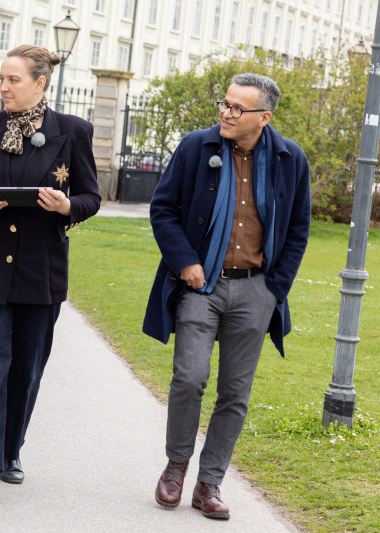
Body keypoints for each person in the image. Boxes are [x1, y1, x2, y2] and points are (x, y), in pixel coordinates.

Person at [144, 73, 311, 519]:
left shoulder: (289, 158)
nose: (226, 112)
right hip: (202, 283)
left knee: (235, 393)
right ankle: (176, 466)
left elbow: (298, 231)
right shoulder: (195, 147)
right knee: (190, 377)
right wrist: (185, 262)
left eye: (238, 108)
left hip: (256, 290)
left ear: (264, 116)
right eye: (225, 103)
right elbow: (162, 209)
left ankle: (210, 483)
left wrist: (275, 290)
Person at [0, 44, 100, 506]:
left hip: (41, 270)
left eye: (13, 80)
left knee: (26, 369)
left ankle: (10, 451)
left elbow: (91, 196)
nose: (3, 88)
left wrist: (67, 206)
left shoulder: (72, 132)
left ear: (40, 84)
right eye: (1, 79)